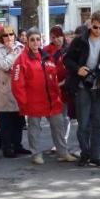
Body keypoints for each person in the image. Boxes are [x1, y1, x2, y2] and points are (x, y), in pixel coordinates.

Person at [11, 28, 77, 165]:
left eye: (38, 39)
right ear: (27, 42)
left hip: (52, 100)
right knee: (34, 128)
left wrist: (58, 94)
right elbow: (17, 84)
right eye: (32, 40)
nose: (35, 42)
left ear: (41, 40)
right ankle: (36, 154)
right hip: (33, 101)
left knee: (58, 125)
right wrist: (23, 103)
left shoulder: (47, 56)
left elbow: (54, 77)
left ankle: (63, 152)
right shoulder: (21, 60)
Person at [64, 10, 100, 168]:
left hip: (99, 88)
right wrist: (77, 69)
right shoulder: (80, 40)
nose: (98, 31)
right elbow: (66, 59)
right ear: (90, 23)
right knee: (83, 124)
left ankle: (95, 156)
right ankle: (85, 153)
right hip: (82, 87)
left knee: (99, 124)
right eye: (95, 27)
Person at [0, 26, 28, 158]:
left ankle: (18, 145)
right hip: (4, 89)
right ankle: (7, 147)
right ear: (2, 37)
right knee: (5, 120)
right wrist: (13, 53)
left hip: (19, 86)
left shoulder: (22, 47)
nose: (9, 38)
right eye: (5, 35)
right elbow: (3, 65)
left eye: (11, 34)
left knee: (18, 119)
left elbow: (24, 65)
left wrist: (14, 67)